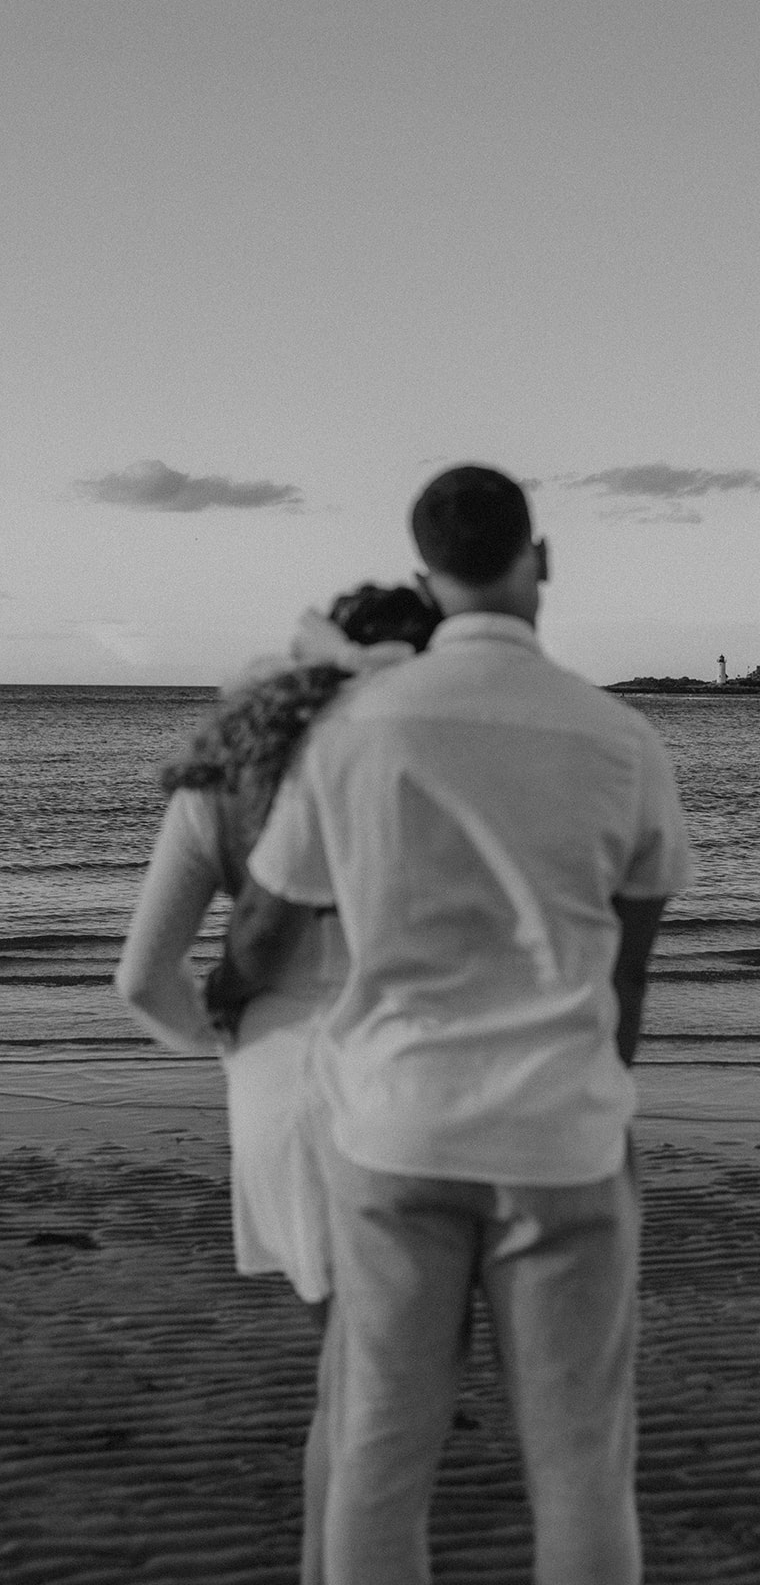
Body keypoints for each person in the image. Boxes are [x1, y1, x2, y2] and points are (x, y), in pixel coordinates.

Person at [210, 465, 692, 1585]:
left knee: (380, 1448)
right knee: (578, 1465)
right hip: (560, 1137)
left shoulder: (354, 732)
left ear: (427, 576)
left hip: (392, 1131)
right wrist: (593, 1102)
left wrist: (225, 1008)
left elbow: (265, 928)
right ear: (543, 560)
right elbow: (627, 977)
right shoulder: (619, 739)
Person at [114, 582, 442, 1585]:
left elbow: (141, 976)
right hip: (413, 1081)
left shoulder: (228, 776)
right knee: (384, 1399)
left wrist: (223, 1043)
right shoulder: (441, 767)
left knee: (351, 1382)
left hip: (279, 1091)